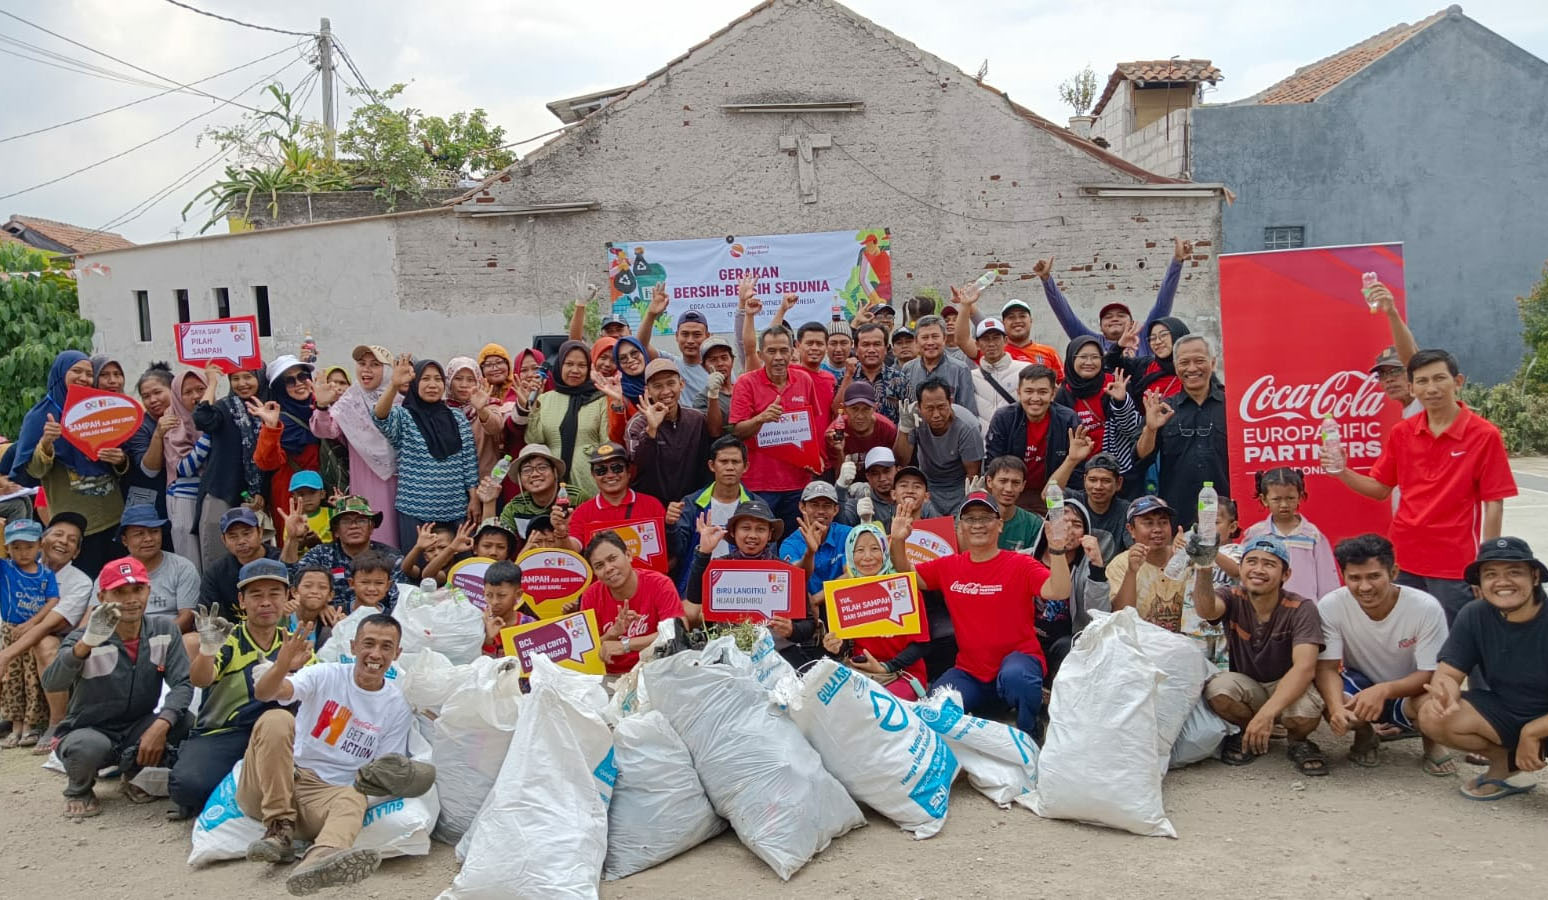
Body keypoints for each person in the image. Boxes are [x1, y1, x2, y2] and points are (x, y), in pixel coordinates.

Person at [1325, 348, 1516, 625]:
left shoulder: (1484, 435)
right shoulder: (1402, 432)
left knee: (1461, 643)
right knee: (1411, 638)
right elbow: (1380, 488)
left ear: (1458, 381)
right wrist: (1342, 471)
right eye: (1423, 381)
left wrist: (1486, 563)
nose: (1432, 388)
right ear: (1412, 388)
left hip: (1455, 563)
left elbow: (1494, 503)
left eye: (1440, 379)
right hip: (1403, 558)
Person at [244, 613, 420, 893]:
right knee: (276, 719)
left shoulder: (396, 705)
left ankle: (318, 860)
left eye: (386, 647)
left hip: (323, 797)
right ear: (353, 647)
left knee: (354, 796)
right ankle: (279, 828)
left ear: (397, 654)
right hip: (275, 783)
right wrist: (282, 664)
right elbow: (266, 693)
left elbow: (383, 767)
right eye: (369, 644)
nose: (375, 654)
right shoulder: (326, 674)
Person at [889, 491, 1071, 736]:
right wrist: (898, 540)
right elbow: (906, 571)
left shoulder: (1020, 564)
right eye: (970, 519)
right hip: (971, 672)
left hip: (1018, 663)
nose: (977, 525)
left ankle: (1029, 727)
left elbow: (1058, 591)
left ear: (1000, 525)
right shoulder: (949, 566)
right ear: (960, 527)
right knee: (934, 707)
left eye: (985, 518)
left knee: (1017, 677)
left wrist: (1057, 551)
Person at [42, 556, 193, 818]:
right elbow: (53, 681)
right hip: (90, 729)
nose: (131, 599)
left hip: (138, 726)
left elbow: (182, 684)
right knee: (86, 747)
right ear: (102, 597)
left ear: (149, 590)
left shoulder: (164, 630)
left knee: (185, 722)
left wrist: (160, 725)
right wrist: (85, 646)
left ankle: (134, 777)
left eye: (138, 589)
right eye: (119, 592)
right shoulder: (84, 637)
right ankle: (79, 789)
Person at [168, 559, 311, 817]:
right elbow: (201, 679)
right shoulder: (229, 638)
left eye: (274, 594)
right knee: (188, 788)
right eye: (256, 595)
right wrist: (207, 650)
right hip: (225, 732)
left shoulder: (294, 642)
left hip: (278, 733)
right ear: (242, 601)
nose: (266, 602)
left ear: (289, 597)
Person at [1417, 537, 1548, 799]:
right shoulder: (1475, 614)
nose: (1502, 582)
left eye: (1514, 572)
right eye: (1491, 574)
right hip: (1507, 709)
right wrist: (1447, 693)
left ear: (1534, 576)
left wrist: (1533, 732)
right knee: (1433, 713)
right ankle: (1505, 767)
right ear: (1481, 583)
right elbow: (1449, 672)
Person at [1313, 535, 1453, 773]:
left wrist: (1384, 690)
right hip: (1362, 683)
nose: (1365, 587)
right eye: (1354, 578)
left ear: (1394, 572)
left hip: (1412, 688)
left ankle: (1431, 742)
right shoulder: (1331, 605)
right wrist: (1336, 709)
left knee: (1434, 701)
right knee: (1330, 699)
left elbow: (1431, 672)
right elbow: (1327, 668)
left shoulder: (1425, 607)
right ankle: (1365, 735)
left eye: (1374, 576)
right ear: (1343, 576)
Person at [1194, 534, 1328, 775]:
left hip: (1286, 685)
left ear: (1286, 575)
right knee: (1218, 690)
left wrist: (1266, 714)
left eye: (1269, 564)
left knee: (1306, 713)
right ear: (1241, 567)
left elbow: (1304, 668)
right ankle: (1251, 731)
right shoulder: (1232, 596)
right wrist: (1204, 567)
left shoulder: (1302, 608)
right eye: (1252, 561)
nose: (1258, 569)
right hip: (1250, 685)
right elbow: (1207, 610)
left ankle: (1297, 742)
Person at [10, 350, 129, 577]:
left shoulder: (98, 409)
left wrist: (120, 460)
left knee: (117, 586)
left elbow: (120, 462)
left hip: (115, 518)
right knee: (84, 588)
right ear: (60, 373)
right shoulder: (40, 416)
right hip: (75, 527)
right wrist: (46, 442)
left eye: (89, 373)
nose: (84, 378)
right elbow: (33, 471)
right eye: (76, 371)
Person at [684, 499, 819, 665]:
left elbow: (809, 624)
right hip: (728, 653)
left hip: (777, 653)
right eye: (745, 528)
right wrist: (703, 553)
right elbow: (694, 598)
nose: (752, 535)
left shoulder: (785, 571)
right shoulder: (720, 568)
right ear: (733, 532)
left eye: (760, 529)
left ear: (770, 535)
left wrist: (792, 629)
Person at [0, 513, 92, 753]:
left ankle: (56, 722)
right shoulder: (17, 565)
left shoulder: (79, 581)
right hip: (16, 632)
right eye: (58, 534)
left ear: (77, 552)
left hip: (58, 640)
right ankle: (14, 718)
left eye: (72, 540)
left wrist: (5, 655)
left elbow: (47, 625)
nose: (64, 541)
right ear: (43, 539)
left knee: (43, 643)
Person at [373, 355, 480, 550]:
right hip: (414, 509)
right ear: (415, 383)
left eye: (438, 379)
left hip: (456, 508)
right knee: (417, 569)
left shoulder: (456, 416)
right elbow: (379, 417)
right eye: (425, 379)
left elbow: (469, 460)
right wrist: (394, 386)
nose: (432, 384)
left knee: (457, 568)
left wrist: (473, 497)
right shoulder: (403, 416)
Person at [818, 522, 930, 699]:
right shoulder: (844, 595)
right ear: (850, 555)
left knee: (880, 705)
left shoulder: (905, 588)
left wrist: (887, 667)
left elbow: (921, 644)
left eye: (875, 549)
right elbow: (845, 646)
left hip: (902, 673)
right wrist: (835, 647)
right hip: (860, 672)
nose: (868, 557)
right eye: (860, 550)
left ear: (885, 552)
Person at [730, 327, 827, 532]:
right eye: (771, 351)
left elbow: (810, 427)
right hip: (759, 484)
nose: (778, 357)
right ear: (760, 354)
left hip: (798, 483)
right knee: (760, 544)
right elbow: (737, 431)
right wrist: (762, 418)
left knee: (795, 542)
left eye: (784, 350)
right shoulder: (745, 383)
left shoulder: (804, 380)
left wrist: (815, 457)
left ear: (793, 351)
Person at [1135, 335, 1230, 529]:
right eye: (1184, 362)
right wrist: (1150, 429)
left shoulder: (1232, 405)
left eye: (1200, 361)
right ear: (1176, 366)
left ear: (1213, 363)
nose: (1192, 368)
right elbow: (1141, 457)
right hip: (1179, 519)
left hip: (1227, 519)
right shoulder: (1163, 408)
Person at [309, 344, 400, 546]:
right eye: (361, 364)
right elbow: (326, 430)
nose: (366, 370)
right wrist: (322, 406)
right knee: (372, 530)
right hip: (365, 478)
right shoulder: (350, 400)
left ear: (387, 370)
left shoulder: (400, 400)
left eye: (375, 364)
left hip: (402, 481)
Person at [1034, 239, 1188, 353]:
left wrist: (1177, 261)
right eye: (1108, 317)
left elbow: (1163, 302)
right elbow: (1065, 314)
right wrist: (1046, 279)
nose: (1114, 318)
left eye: (1121, 315)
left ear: (1132, 323)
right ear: (1100, 327)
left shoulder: (1145, 339)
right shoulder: (1091, 342)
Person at [193, 362, 269, 568]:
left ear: (260, 378)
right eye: (235, 378)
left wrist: (260, 491)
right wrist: (211, 383)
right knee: (217, 557)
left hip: (258, 499)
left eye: (248, 377)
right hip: (221, 491)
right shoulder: (224, 407)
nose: (242, 383)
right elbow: (202, 418)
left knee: (257, 558)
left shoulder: (269, 407)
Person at [580, 532, 685, 674]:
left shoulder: (660, 584)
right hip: (610, 677)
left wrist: (626, 645)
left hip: (656, 670)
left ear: (628, 555)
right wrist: (612, 634)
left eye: (612, 559)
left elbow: (677, 631)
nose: (608, 568)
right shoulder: (590, 596)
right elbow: (585, 651)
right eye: (599, 565)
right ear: (595, 573)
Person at [137, 367, 210, 571]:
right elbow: (183, 468)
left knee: (212, 553)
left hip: (210, 495)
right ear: (178, 393)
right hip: (184, 498)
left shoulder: (208, 416)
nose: (153, 400)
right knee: (190, 560)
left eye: (157, 392)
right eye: (146, 396)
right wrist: (210, 432)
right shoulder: (171, 422)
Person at [519, 340, 610, 500]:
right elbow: (534, 440)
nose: (575, 370)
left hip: (590, 477)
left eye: (582, 365)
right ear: (560, 365)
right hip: (551, 481)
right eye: (569, 364)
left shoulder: (600, 398)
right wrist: (533, 406)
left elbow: (606, 443)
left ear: (589, 368)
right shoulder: (545, 399)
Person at [1030, 497, 1110, 679]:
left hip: (1069, 642)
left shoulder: (1088, 568)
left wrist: (1097, 567)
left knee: (1067, 647)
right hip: (1028, 639)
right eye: (1062, 521)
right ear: (1048, 527)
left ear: (1086, 533)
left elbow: (1099, 615)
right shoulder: (1027, 560)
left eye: (1076, 524)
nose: (1067, 529)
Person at [986, 366, 1085, 510]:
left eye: (1043, 392)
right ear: (1019, 393)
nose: (1035, 398)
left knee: (1056, 522)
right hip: (1012, 493)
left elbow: (1075, 476)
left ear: (1053, 394)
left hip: (1052, 493)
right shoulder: (1004, 418)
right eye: (1029, 391)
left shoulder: (1068, 420)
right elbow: (993, 465)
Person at [285, 496, 403, 613]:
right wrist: (292, 538)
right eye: (346, 521)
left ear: (371, 527)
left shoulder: (391, 557)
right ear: (336, 530)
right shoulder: (321, 553)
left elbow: (400, 601)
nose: (354, 526)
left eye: (361, 520)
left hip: (380, 621)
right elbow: (291, 579)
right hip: (328, 620)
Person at [670, 436, 753, 593]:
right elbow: (678, 551)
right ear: (712, 465)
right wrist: (670, 525)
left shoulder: (756, 506)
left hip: (743, 589)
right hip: (695, 585)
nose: (730, 467)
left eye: (735, 462)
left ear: (746, 467)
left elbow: (769, 554)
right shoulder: (691, 503)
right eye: (723, 461)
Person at [1243, 467, 1339, 603]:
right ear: (1264, 499)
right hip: (1265, 611)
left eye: (1290, 498)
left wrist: (1328, 610)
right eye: (1276, 499)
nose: (1284, 504)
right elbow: (1245, 574)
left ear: (1300, 497)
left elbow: (1327, 580)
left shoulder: (1312, 535)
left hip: (1305, 612)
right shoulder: (1255, 534)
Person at [1, 519, 57, 748]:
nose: (22, 553)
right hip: (10, 631)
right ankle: (15, 724)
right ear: (8, 548)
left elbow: (53, 600)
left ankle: (30, 725)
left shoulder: (46, 574)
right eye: (16, 547)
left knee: (32, 678)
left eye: (28, 546)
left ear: (40, 545)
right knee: (12, 679)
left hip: (34, 633)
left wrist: (34, 623)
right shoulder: (6, 568)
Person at [626, 358, 712, 504]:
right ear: (648, 391)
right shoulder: (637, 424)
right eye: (658, 386)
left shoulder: (697, 419)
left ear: (681, 384)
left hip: (690, 505)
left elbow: (706, 466)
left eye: (671, 383)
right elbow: (637, 467)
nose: (666, 391)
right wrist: (651, 429)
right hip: (652, 507)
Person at [1054, 337, 1141, 480]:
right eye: (1083, 357)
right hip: (1077, 473)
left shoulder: (1114, 384)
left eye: (1095, 357)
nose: (1089, 362)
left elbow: (1132, 431)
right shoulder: (1063, 394)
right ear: (1071, 359)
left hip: (1117, 472)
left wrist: (1121, 402)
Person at [104, 504, 200, 632]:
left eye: (154, 531)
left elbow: (187, 617)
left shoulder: (182, 567)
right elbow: (95, 615)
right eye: (139, 534)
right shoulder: (112, 571)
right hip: (124, 638)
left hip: (171, 636)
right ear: (125, 540)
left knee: (192, 641)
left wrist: (153, 640)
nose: (148, 539)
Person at [567, 442, 668, 559]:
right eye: (601, 470)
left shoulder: (652, 505)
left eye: (617, 468)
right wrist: (561, 534)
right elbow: (574, 549)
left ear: (629, 472)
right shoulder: (582, 512)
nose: (610, 475)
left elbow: (669, 550)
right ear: (593, 475)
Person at [252, 355, 321, 520]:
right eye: (289, 381)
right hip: (292, 495)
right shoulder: (277, 419)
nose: (298, 383)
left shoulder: (322, 406)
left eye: (302, 376)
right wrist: (270, 429)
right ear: (280, 388)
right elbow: (266, 462)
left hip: (325, 490)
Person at [900, 377, 983, 514]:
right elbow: (902, 460)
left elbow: (973, 473)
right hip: (928, 484)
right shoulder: (912, 417)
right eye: (929, 409)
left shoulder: (967, 427)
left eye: (941, 407)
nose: (936, 415)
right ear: (919, 407)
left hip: (959, 486)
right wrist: (904, 429)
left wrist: (967, 501)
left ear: (950, 402)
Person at [1108, 496, 1188, 632]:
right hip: (1140, 643)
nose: (1157, 529)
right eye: (1148, 523)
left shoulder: (1186, 558)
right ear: (1131, 529)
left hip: (1185, 643)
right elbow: (1121, 616)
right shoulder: (1120, 564)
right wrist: (1131, 572)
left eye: (1163, 522)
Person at [200, 507, 281, 621]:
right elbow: (206, 615)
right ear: (224, 540)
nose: (241, 541)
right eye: (233, 536)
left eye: (247, 533)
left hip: (279, 628)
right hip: (234, 633)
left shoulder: (280, 561)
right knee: (191, 638)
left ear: (260, 532)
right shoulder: (216, 572)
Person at [954, 293, 1062, 371]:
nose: (1017, 321)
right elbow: (962, 340)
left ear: (1031, 320)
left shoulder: (1049, 353)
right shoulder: (993, 350)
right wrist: (965, 305)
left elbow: (1063, 388)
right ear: (1003, 323)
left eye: (1022, 316)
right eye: (1011, 317)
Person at [781, 481, 852, 600]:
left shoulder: (848, 534)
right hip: (804, 606)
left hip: (842, 601)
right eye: (814, 504)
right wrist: (810, 553)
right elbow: (794, 580)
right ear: (802, 507)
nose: (820, 511)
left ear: (836, 510)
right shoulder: (789, 543)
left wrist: (816, 600)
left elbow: (852, 574)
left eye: (827, 505)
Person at [962, 317, 1031, 436]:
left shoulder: (1026, 370)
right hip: (984, 447)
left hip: (1016, 445)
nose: (991, 344)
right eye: (985, 339)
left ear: (1005, 340)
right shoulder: (970, 377)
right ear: (977, 344)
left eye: (996, 338)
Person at [443, 356, 508, 479]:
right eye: (458, 379)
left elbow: (496, 427)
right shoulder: (442, 409)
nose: (464, 385)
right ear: (449, 381)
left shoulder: (489, 404)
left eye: (470, 380)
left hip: (483, 483)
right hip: (451, 484)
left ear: (478, 381)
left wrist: (481, 410)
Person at [495, 444, 580, 533]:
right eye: (527, 470)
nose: (535, 474)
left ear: (554, 472)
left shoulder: (577, 497)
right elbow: (501, 540)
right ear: (520, 477)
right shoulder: (515, 506)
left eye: (542, 468)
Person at [904, 315, 977, 414]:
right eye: (925, 337)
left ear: (944, 338)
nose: (930, 342)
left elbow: (968, 412)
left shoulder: (960, 369)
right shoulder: (907, 369)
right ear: (916, 341)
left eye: (935, 336)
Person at [1062, 452, 1130, 550]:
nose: (1098, 487)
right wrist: (1071, 460)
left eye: (1106, 481)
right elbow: (1047, 497)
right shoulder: (1072, 500)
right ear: (1085, 480)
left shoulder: (1126, 512)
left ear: (1118, 483)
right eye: (1092, 480)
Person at [849, 323, 909, 423]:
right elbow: (837, 411)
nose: (871, 350)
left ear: (886, 348)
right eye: (865, 345)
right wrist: (848, 376)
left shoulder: (900, 379)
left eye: (877, 344)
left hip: (892, 438)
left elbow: (911, 417)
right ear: (855, 349)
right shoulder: (846, 377)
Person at [984, 455, 1043, 552]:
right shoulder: (975, 520)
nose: (1009, 489)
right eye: (1003, 481)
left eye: (1015, 483)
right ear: (989, 481)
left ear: (1023, 486)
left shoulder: (1033, 524)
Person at [838, 447, 906, 528]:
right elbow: (839, 524)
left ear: (898, 470)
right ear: (868, 476)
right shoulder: (860, 502)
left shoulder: (912, 498)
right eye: (875, 473)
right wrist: (840, 487)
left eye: (886, 471)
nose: (882, 478)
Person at [480, 561, 534, 657]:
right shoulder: (477, 623)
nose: (494, 602)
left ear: (518, 594)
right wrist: (488, 640)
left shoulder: (529, 625)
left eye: (501, 595)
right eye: (489, 595)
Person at [692, 336, 738, 436]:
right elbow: (715, 432)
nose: (720, 363)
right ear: (704, 366)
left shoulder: (743, 390)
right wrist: (713, 395)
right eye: (713, 360)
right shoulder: (701, 399)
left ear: (732, 361)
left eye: (724, 358)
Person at [288, 565, 338, 650]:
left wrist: (342, 629)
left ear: (330, 595)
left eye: (322, 587)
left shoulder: (330, 623)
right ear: (294, 591)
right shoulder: (283, 618)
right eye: (307, 586)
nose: (314, 591)